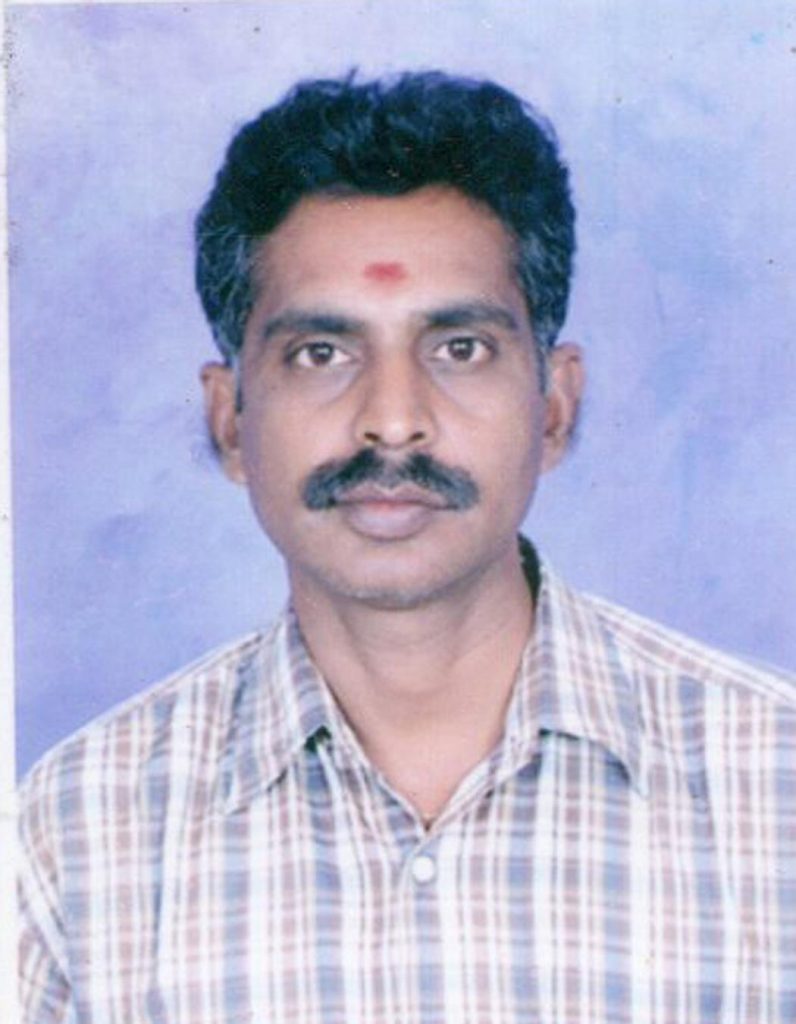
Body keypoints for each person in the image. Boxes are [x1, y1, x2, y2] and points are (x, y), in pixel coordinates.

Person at [18, 71, 796, 1024]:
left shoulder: (776, 789)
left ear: (554, 406)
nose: (392, 421)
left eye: (459, 347)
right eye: (322, 353)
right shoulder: (71, 837)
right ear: (230, 421)